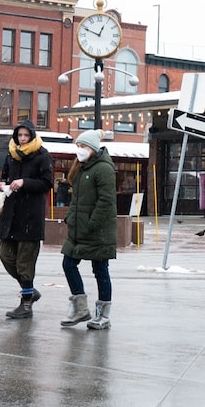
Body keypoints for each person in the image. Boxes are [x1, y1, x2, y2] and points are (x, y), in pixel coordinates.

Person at [0, 122, 54, 319]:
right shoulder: (11, 154)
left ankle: (26, 304)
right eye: (19, 135)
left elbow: (47, 183)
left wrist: (24, 182)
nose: (22, 138)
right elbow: (4, 176)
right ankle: (30, 290)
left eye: (26, 135)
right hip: (11, 214)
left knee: (25, 261)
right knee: (5, 255)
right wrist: (0, 184)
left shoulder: (42, 155)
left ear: (32, 136)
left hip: (30, 215)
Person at [60, 130, 118, 329]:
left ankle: (103, 315)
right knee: (68, 263)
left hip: (97, 230)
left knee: (100, 269)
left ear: (93, 148)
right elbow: (77, 201)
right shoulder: (81, 168)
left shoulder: (103, 168)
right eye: (78, 146)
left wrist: (92, 223)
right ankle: (80, 308)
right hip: (78, 229)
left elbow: (106, 201)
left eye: (83, 146)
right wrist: (70, 218)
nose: (80, 150)